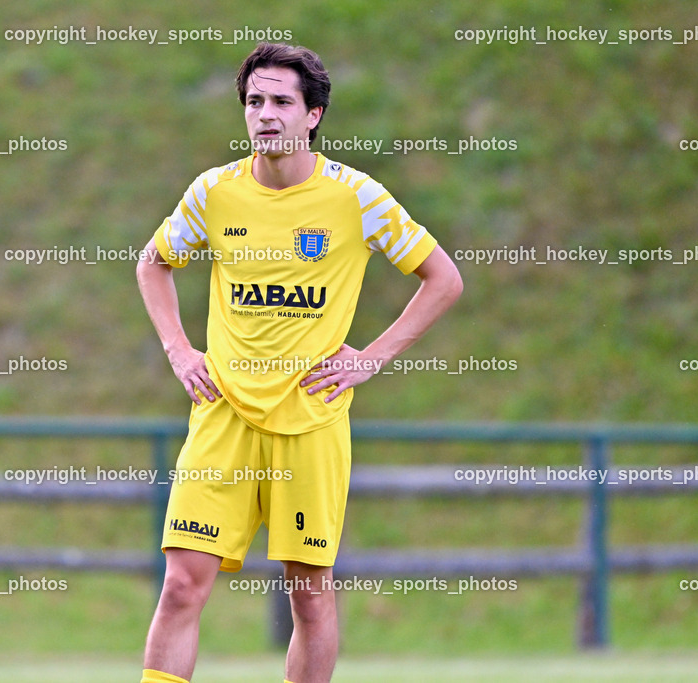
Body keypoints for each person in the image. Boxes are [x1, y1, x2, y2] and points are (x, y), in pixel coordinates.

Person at [136, 41, 463, 683]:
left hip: (310, 422)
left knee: (309, 598)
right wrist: (179, 349)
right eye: (255, 101)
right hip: (223, 416)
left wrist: (370, 360)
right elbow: (153, 263)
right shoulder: (214, 192)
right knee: (180, 586)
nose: (265, 114)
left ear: (312, 114)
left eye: (282, 101)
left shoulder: (355, 197)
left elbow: (443, 279)